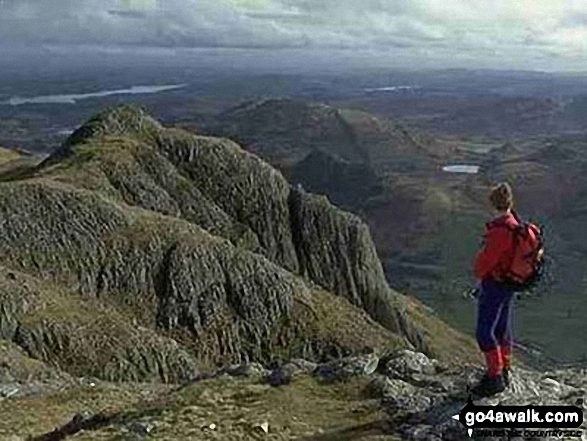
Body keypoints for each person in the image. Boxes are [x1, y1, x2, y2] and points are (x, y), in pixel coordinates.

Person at [471, 182, 518, 397]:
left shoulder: (500, 230)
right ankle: (505, 369)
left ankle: (494, 377)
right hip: (509, 283)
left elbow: (486, 261)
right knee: (502, 328)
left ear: (493, 203)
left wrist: (478, 274)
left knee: (484, 331)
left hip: (495, 284)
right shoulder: (514, 224)